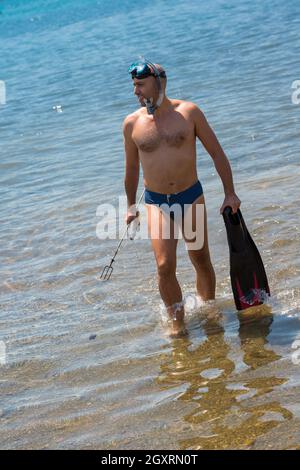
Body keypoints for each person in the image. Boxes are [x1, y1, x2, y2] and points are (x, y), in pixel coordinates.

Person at [123, 59, 241, 337]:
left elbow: (217, 153)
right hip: (156, 202)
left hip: (190, 197)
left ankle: (208, 309)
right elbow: (131, 169)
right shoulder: (132, 124)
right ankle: (178, 324)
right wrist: (130, 205)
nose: (135, 92)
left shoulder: (189, 112)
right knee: (165, 265)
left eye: (140, 85)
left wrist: (230, 193)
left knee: (200, 258)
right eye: (133, 86)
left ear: (159, 82)